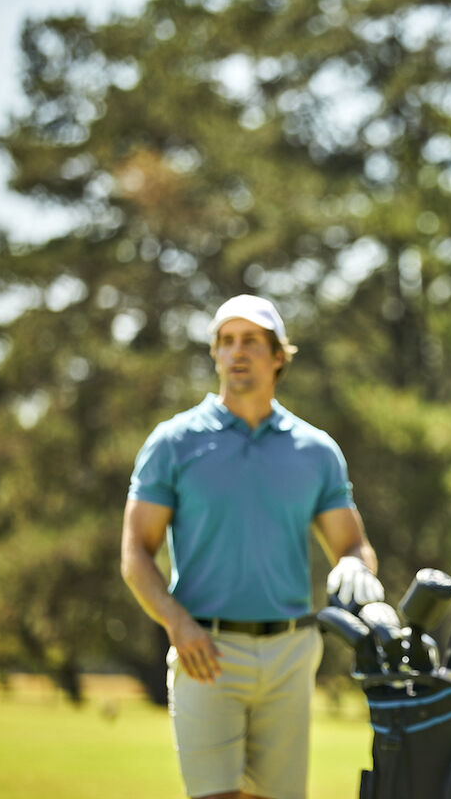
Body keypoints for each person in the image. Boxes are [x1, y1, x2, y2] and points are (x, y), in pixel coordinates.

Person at [121, 294, 384, 799]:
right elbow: (136, 552)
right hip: (206, 651)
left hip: (291, 652)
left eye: (251, 341)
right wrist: (178, 625)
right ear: (215, 353)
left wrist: (357, 569)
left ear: (278, 355)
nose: (236, 352)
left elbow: (352, 544)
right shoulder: (173, 442)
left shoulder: (315, 450)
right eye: (226, 341)